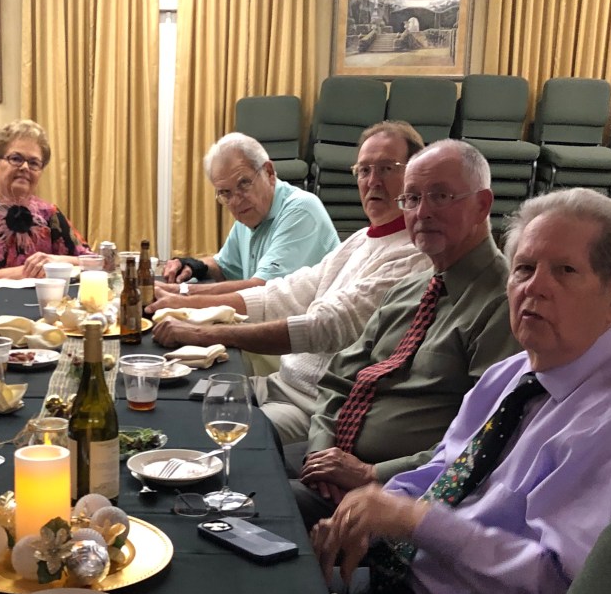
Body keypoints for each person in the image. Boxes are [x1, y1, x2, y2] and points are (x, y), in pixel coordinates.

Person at [313, 189, 611, 594]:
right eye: (523, 268)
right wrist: (370, 513)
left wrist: (415, 522)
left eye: (564, 270)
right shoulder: (514, 374)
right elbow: (442, 472)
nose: (534, 287)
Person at [151, 122, 430, 439]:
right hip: (281, 384)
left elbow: (325, 325)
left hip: (315, 407)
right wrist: (183, 298)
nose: (372, 181)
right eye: (364, 170)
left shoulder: (413, 255)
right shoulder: (361, 239)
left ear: (414, 176)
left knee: (201, 433)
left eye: (386, 169)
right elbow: (282, 293)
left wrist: (200, 328)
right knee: (174, 405)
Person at [290, 140, 515, 529]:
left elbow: (486, 439)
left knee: (252, 506)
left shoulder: (506, 305)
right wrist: (320, 452)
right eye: (411, 199)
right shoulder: (409, 289)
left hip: (405, 494)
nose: (422, 212)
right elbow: (339, 378)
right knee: (239, 462)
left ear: (482, 205)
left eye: (440, 196)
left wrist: (371, 475)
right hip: (334, 462)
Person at [0, 120, 92, 333]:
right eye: (16, 159)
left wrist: (55, 261)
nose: (25, 168)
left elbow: (93, 263)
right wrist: (23, 272)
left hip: (46, 332)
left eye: (34, 163)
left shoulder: (50, 215)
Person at [156, 133, 338, 297]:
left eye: (243, 184)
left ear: (268, 172)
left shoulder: (302, 210)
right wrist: (193, 266)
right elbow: (224, 268)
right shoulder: (249, 215)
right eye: (225, 192)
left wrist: (181, 291)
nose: (235, 201)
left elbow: (263, 292)